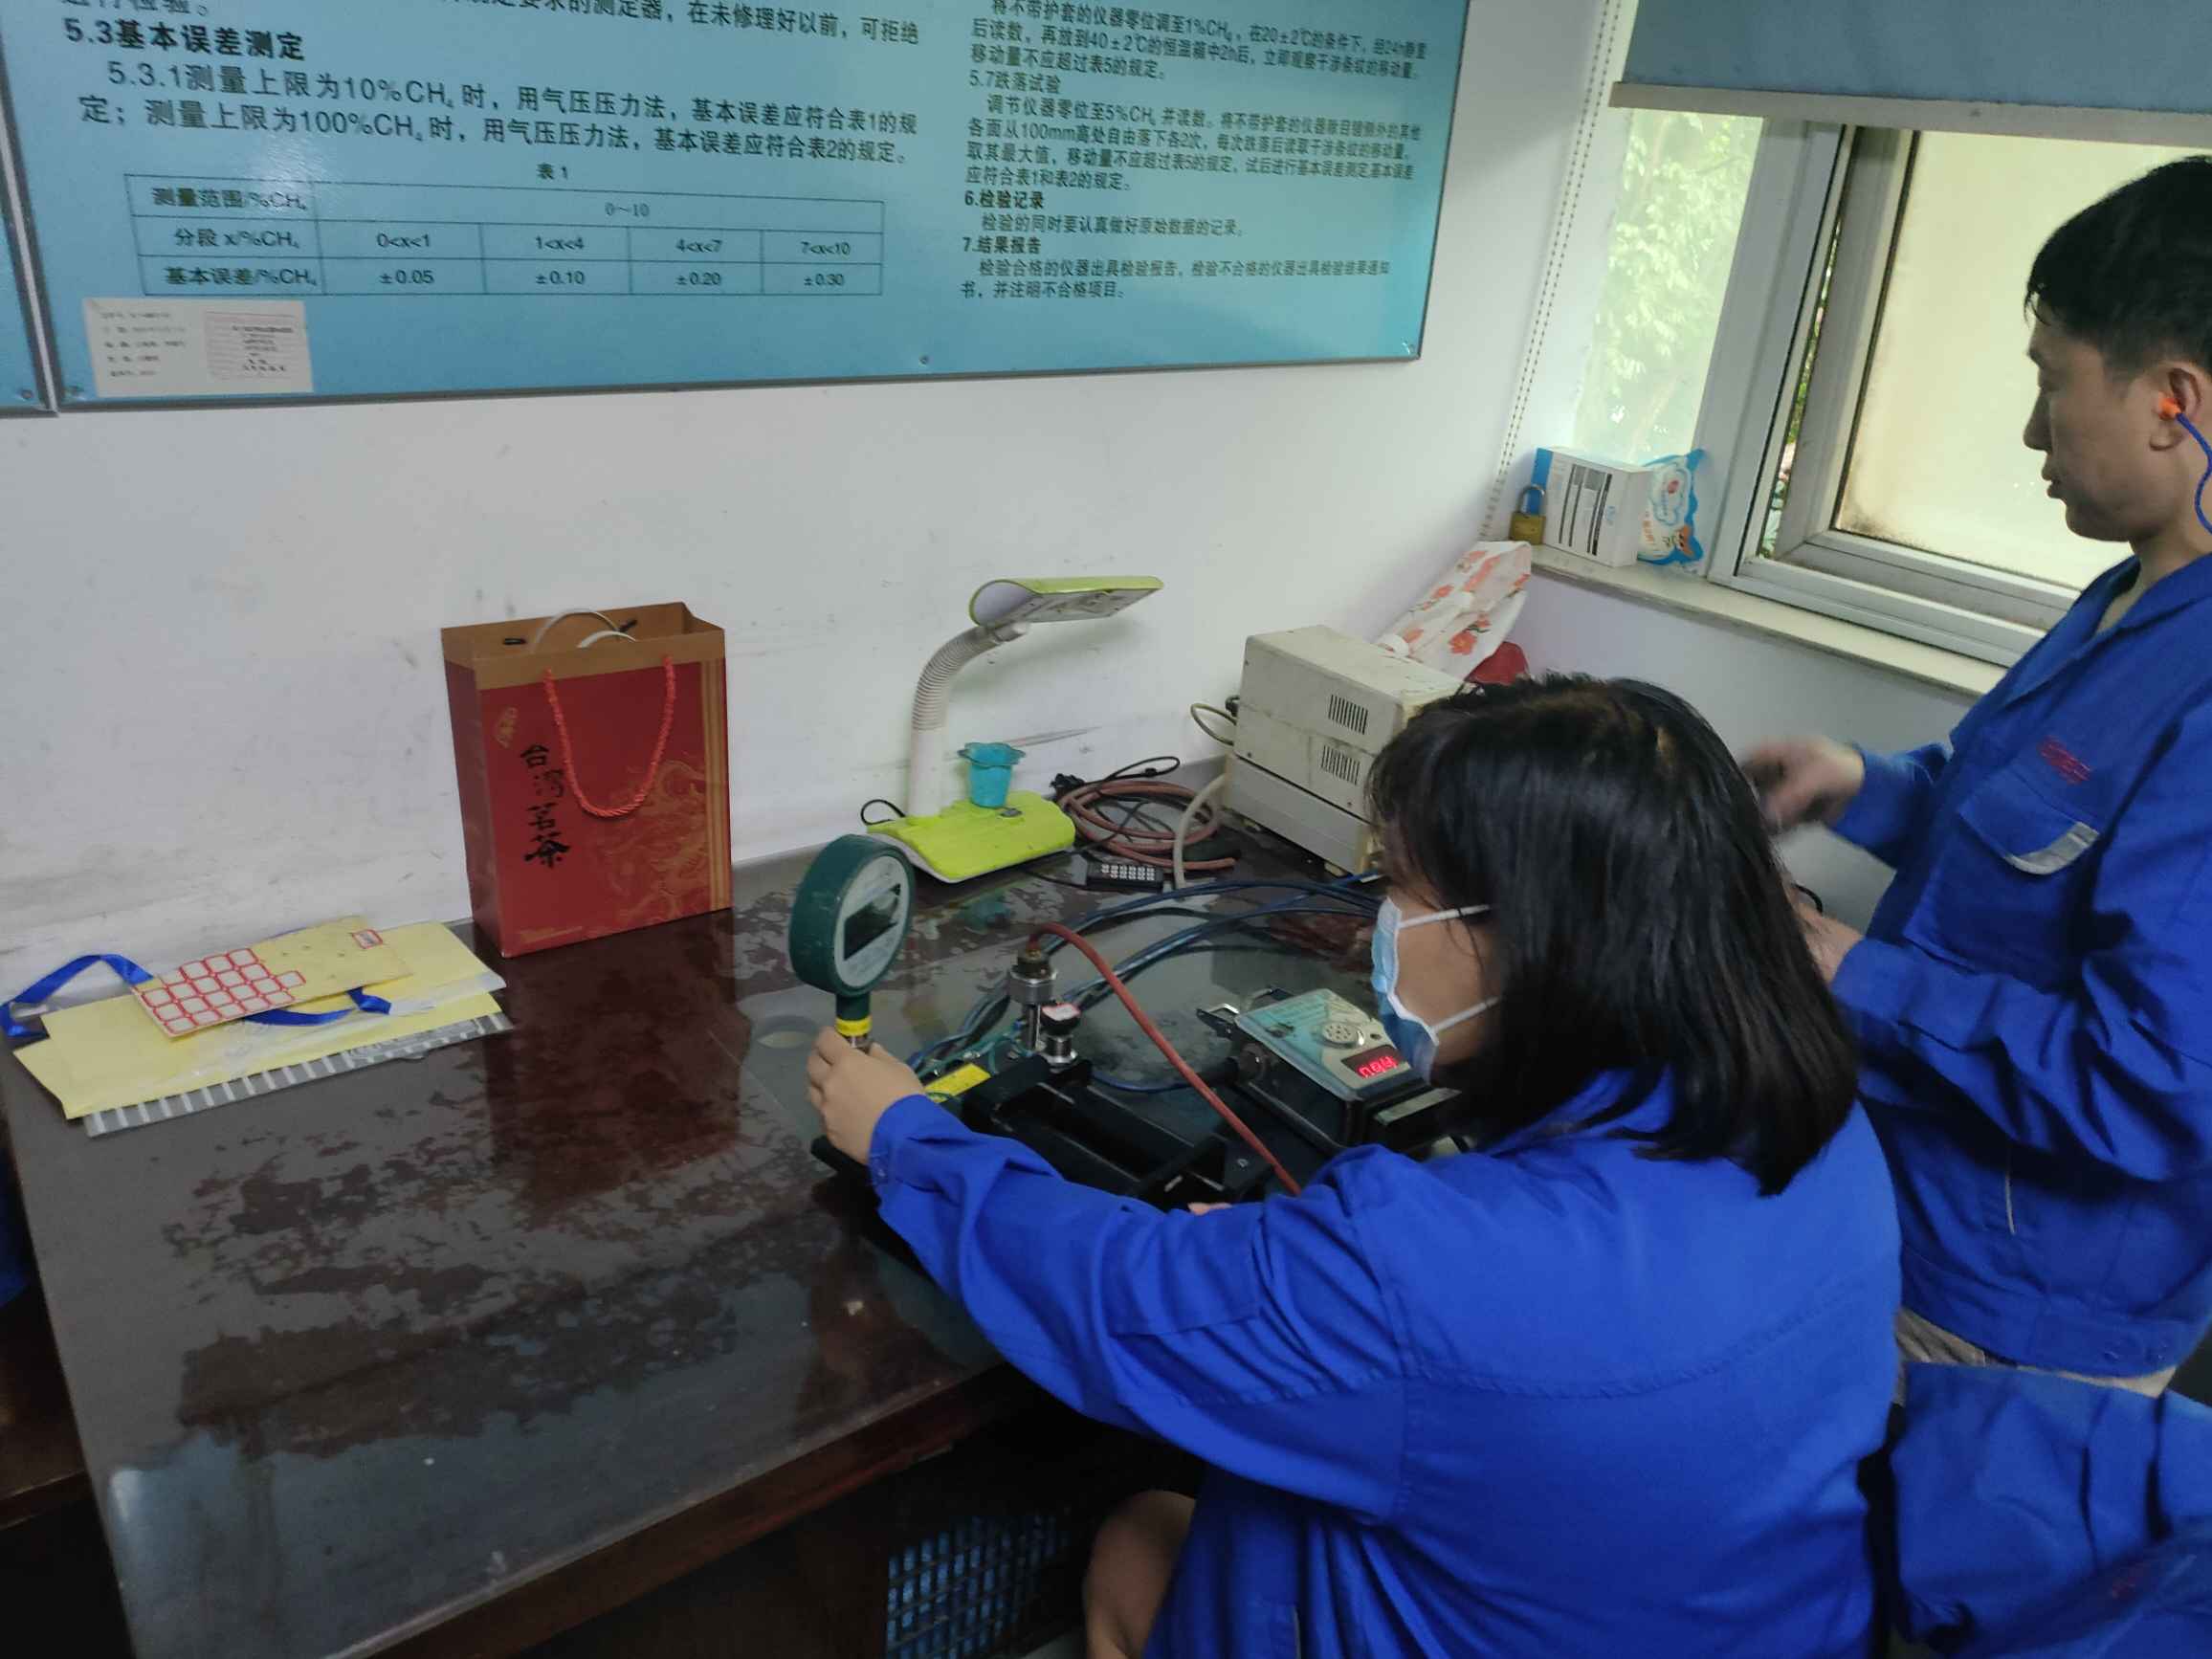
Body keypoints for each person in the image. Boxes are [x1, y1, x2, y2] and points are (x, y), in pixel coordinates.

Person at [810, 677, 1900, 1658]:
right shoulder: (1822, 1128)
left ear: (1531, 938)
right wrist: (1293, 1275)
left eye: (1397, 885)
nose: (1377, 920)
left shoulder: (1420, 1269)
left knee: (1136, 1544)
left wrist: (907, 1140)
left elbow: (1113, 1301)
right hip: (1760, 1621)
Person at [1751, 157, 2212, 1398]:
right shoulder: (2131, 593)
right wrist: (1857, 783)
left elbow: (2148, 1087)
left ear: (2171, 402)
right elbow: (2015, 825)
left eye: (2051, 384)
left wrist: (1848, 968)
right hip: (1900, 1197)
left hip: (2012, 1313)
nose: (2028, 432)